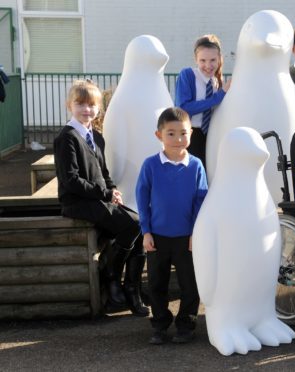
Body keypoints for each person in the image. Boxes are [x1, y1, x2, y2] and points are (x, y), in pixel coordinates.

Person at [54, 79, 148, 316]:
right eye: (80, 104)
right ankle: (111, 275)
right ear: (69, 105)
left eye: (91, 105)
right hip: (77, 202)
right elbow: (70, 180)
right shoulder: (67, 138)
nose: (87, 109)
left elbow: (103, 173)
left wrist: (112, 191)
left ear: (98, 108)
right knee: (133, 224)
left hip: (97, 199)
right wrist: (105, 193)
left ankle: (132, 290)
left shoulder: (96, 137)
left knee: (141, 226)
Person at [136, 107, 208, 345]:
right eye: (171, 133)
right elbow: (142, 198)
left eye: (183, 133)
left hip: (186, 238)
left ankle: (186, 325)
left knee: (190, 284)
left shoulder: (196, 165)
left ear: (191, 133)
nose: (178, 139)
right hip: (157, 237)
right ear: (159, 135)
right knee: (156, 284)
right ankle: (159, 324)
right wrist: (145, 231)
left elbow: (201, 200)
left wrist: (196, 232)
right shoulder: (150, 165)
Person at [175, 34, 231, 166]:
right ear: (196, 60)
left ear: (219, 60)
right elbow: (183, 108)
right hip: (190, 136)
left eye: (213, 60)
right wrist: (218, 96)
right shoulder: (187, 75)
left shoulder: (217, 82)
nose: (208, 65)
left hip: (211, 136)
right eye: (202, 60)